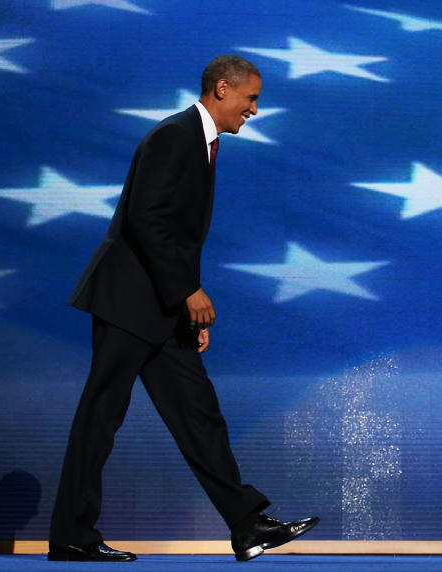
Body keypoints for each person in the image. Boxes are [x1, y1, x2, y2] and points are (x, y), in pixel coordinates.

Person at [48, 55, 318, 562]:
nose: (254, 110)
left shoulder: (202, 142)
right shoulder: (175, 135)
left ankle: (246, 524)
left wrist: (182, 306)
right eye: (251, 98)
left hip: (161, 305)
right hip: (130, 301)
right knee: (100, 417)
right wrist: (187, 293)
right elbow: (145, 220)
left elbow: (170, 231)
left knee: (199, 413)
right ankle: (71, 535)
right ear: (222, 89)